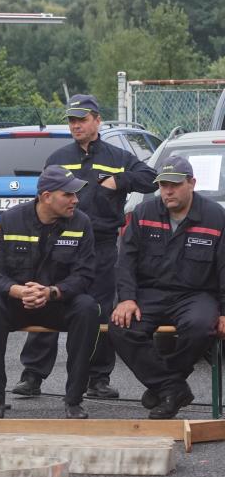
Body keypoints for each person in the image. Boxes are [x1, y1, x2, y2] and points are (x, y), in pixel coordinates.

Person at [13, 94, 157, 400]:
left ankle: (97, 378)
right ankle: (33, 375)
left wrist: (118, 181)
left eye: (82, 119)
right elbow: (42, 196)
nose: (76, 125)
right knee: (47, 301)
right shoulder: (59, 157)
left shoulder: (118, 157)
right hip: (59, 242)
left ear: (97, 120)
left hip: (102, 245)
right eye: (72, 121)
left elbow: (151, 179)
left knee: (100, 309)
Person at [0, 166, 100, 419]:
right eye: (68, 194)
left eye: (75, 194)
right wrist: (18, 291)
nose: (75, 200)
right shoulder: (10, 220)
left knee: (88, 308)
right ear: (46, 197)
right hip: (18, 303)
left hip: (57, 303)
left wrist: (53, 292)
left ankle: (74, 400)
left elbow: (85, 275)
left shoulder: (81, 223)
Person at [109, 156, 225, 419]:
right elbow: (125, 261)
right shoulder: (143, 214)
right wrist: (126, 299)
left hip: (195, 295)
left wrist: (224, 311)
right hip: (151, 293)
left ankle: (165, 386)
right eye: (163, 185)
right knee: (120, 327)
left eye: (174, 184)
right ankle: (172, 388)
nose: (168, 191)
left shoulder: (215, 216)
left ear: (192, 183)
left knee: (199, 327)